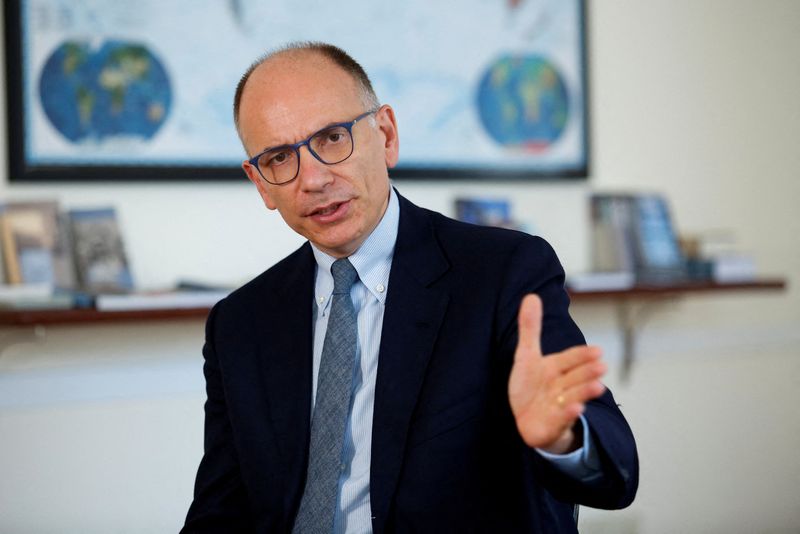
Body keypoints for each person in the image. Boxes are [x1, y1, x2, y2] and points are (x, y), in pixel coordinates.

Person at [183, 42, 638, 534]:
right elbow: (221, 510)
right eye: (278, 158)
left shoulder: (502, 274)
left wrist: (563, 437)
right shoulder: (239, 323)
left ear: (386, 135)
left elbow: (616, 476)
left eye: (333, 137)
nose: (312, 179)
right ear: (260, 182)